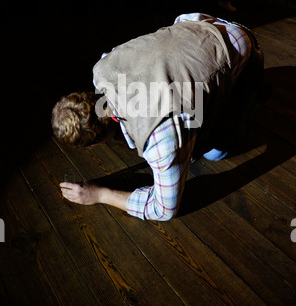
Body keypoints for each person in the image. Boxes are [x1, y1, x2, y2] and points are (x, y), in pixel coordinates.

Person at [52, 12, 264, 221]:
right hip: (196, 24)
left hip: (243, 48)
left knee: (214, 154)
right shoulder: (103, 66)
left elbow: (164, 209)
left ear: (94, 145)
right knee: (190, 120)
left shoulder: (160, 140)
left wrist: (99, 194)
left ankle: (246, 93)